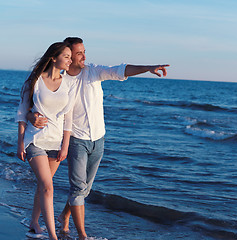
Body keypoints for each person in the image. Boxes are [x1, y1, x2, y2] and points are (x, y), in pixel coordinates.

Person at [28, 37, 170, 240]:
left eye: (83, 51)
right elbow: (36, 103)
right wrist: (32, 117)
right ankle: (83, 235)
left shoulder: (93, 71)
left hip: (98, 138)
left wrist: (148, 68)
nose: (83, 56)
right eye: (78, 53)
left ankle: (64, 216)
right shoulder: (61, 79)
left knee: (84, 189)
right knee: (76, 188)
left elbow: (119, 70)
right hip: (75, 139)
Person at [16, 42, 77, 240]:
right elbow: (22, 111)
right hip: (35, 140)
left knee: (43, 186)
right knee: (48, 186)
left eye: (70, 57)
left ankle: (34, 222)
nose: (70, 60)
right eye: (66, 56)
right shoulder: (34, 81)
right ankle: (53, 236)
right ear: (53, 57)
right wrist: (20, 142)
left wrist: (65, 145)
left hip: (56, 142)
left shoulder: (68, 84)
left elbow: (68, 119)